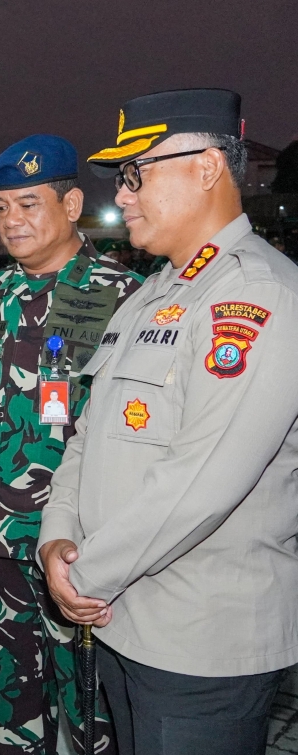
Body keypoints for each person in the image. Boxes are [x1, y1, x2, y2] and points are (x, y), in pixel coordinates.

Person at [39, 89, 298, 755]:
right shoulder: (152, 295)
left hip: (199, 645)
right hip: (124, 621)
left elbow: (204, 481)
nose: (122, 196)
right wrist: (55, 537)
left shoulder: (257, 294)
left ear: (207, 167)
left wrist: (84, 574)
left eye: (135, 174)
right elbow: (88, 435)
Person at [0, 134, 143, 755]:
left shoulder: (122, 296)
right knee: (12, 713)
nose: (11, 221)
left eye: (28, 204)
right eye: (1, 209)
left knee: (97, 719)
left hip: (78, 554)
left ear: (72, 205)